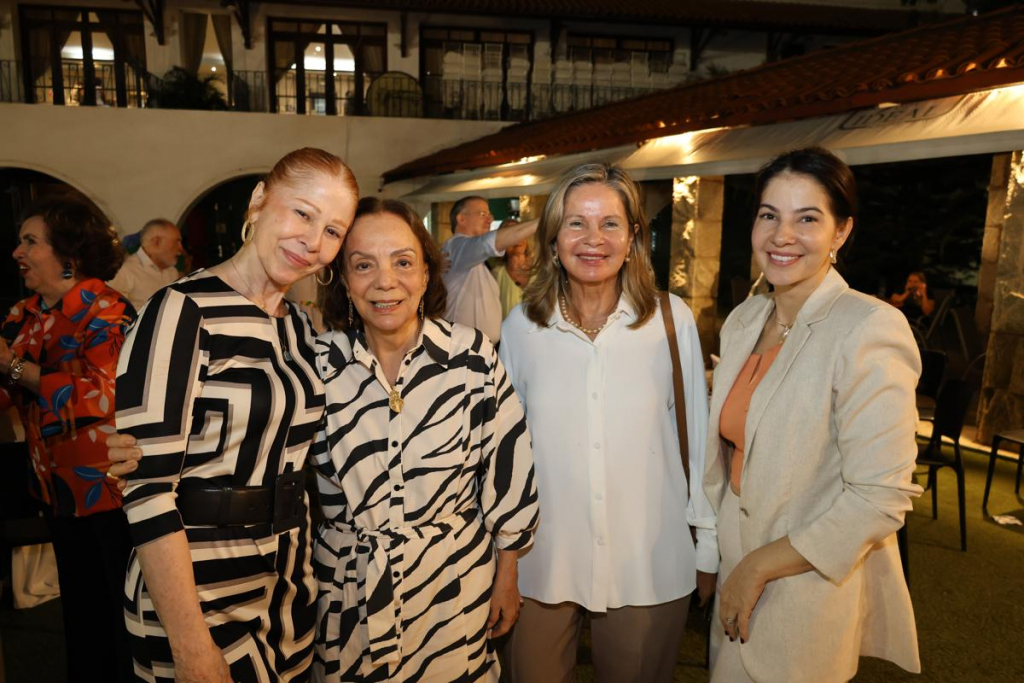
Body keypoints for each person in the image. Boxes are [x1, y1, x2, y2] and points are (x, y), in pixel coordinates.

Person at [112, 148, 358, 682]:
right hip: (198, 591)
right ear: (258, 202)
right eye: (302, 213)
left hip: (288, 590)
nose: (314, 242)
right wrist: (191, 646)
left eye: (334, 231)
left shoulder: (299, 325)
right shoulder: (180, 310)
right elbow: (148, 492)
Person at [707, 147, 922, 682]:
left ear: (841, 232)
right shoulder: (745, 318)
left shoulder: (868, 326)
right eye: (769, 215)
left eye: (807, 218)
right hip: (733, 570)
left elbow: (881, 495)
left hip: (805, 584)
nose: (783, 235)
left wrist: (757, 567)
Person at [499, 163, 717, 682]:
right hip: (543, 559)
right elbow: (504, 453)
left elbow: (699, 440)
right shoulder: (522, 327)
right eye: (576, 223)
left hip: (647, 559)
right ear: (553, 239)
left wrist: (707, 546)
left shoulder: (671, 319)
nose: (593, 239)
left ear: (634, 237)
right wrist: (501, 555)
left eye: (610, 224)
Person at [311, 197, 538, 682]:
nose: (385, 281)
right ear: (343, 279)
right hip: (348, 596)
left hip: (452, 586)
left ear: (427, 273)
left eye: (403, 262)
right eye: (363, 265)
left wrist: (508, 573)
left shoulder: (471, 356)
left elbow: (509, 468)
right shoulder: (316, 366)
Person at [0, 193, 136, 682]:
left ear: (69, 257)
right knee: (78, 618)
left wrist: (13, 367)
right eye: (20, 240)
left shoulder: (107, 310)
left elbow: (103, 395)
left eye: (30, 241)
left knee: (120, 622)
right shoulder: (26, 315)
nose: (18, 251)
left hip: (107, 492)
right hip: (54, 491)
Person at [441, 196, 538, 343]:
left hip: (480, 351)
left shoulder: (474, 258)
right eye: (482, 214)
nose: (489, 219)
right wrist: (542, 222)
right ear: (461, 219)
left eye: (489, 215)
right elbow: (487, 243)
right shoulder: (456, 247)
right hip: (463, 352)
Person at [107, 218, 184, 310]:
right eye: (177, 242)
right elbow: (112, 312)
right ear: (157, 242)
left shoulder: (172, 272)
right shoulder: (125, 271)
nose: (181, 248)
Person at [491, 221, 532, 319]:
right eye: (511, 234)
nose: (518, 238)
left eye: (521, 231)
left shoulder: (543, 271)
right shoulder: (496, 275)